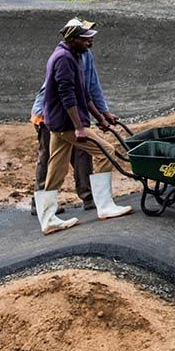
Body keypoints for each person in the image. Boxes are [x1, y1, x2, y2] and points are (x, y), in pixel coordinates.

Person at [35, 19, 133, 234]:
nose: (90, 42)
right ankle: (105, 206)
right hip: (66, 122)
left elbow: (84, 93)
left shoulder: (74, 56)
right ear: (72, 39)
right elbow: (67, 95)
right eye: (85, 39)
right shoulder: (63, 59)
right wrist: (79, 127)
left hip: (60, 123)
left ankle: (48, 218)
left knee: (56, 168)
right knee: (106, 151)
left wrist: (101, 117)